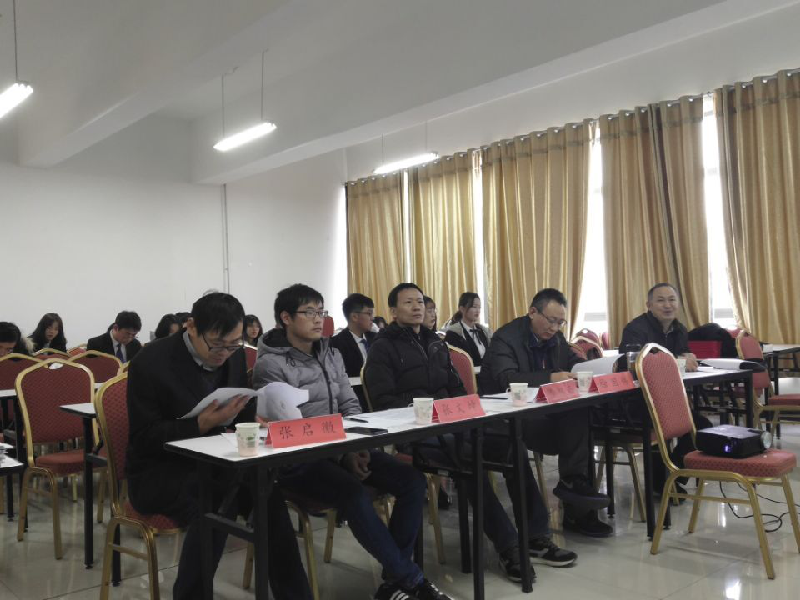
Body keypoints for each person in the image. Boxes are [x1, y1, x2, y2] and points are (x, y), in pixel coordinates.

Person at [364, 283, 576, 584]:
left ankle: (536, 536)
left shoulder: (436, 343)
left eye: (420, 301)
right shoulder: (383, 348)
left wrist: (460, 411)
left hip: (454, 427)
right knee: (467, 459)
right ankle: (508, 546)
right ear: (393, 311)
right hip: (416, 435)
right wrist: (427, 410)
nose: (417, 307)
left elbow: (459, 390)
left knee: (511, 443)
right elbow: (383, 403)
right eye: (408, 302)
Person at [253, 283, 453, 600]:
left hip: (344, 448)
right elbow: (290, 427)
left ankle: (393, 583)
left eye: (321, 312)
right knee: (352, 492)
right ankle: (412, 581)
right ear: (286, 318)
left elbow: (350, 403)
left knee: (412, 481)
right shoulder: (271, 364)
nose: (318, 319)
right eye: (309, 312)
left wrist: (358, 448)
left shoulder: (331, 354)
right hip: (300, 461)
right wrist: (343, 456)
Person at [126, 292, 312, 600]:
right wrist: (199, 425)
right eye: (216, 344)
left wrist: (253, 422)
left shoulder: (234, 354)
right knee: (215, 502)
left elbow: (239, 405)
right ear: (191, 327)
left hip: (217, 460)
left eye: (233, 344)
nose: (224, 353)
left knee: (267, 494)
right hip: (160, 470)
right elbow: (143, 438)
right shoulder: (150, 363)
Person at [479, 288, 613, 537]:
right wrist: (551, 377)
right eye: (551, 320)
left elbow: (571, 363)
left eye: (561, 322)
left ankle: (575, 495)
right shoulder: (505, 338)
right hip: (509, 416)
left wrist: (588, 369)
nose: (555, 328)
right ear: (533, 312)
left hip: (544, 413)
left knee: (581, 416)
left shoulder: (556, 338)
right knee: (576, 432)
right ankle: (575, 500)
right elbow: (505, 379)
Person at [619, 283, 713, 492]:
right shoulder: (636, 329)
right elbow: (633, 365)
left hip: (667, 398)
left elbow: (682, 357)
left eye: (672, 300)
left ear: (678, 303)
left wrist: (689, 358)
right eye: (660, 301)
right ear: (649, 305)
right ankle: (661, 481)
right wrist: (677, 361)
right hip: (637, 401)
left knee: (702, 426)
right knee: (662, 426)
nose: (667, 305)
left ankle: (672, 474)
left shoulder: (679, 329)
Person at [330, 293, 376, 378]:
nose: (372, 318)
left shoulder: (377, 339)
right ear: (354, 317)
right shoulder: (336, 344)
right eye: (369, 314)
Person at [444, 292, 492, 366]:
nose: (478, 311)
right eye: (474, 307)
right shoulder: (454, 334)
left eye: (479, 307)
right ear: (462, 309)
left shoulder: (484, 331)